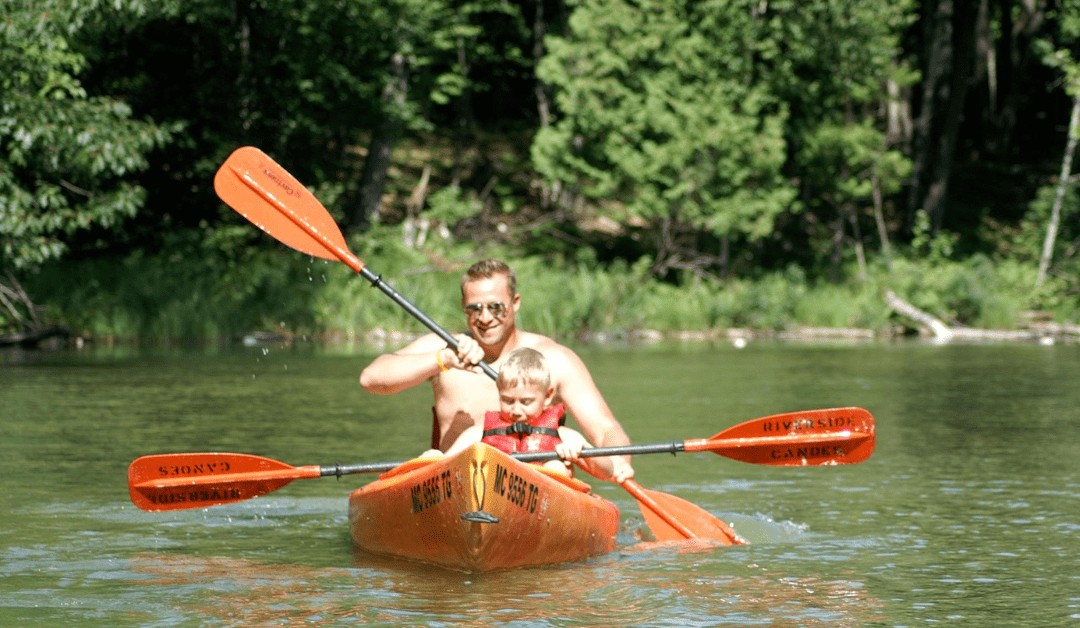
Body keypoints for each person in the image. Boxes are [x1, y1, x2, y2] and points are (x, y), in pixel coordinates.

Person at [359, 258, 634, 483]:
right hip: (456, 485)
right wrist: (442, 359)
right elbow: (371, 379)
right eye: (474, 309)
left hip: (539, 487)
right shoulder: (443, 349)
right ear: (464, 309)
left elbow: (606, 430)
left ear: (515, 303)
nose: (485, 318)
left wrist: (619, 463)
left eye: (495, 307)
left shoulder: (555, 360)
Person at [440, 347, 612, 478]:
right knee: (441, 457)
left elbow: (607, 472)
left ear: (547, 396)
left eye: (526, 402)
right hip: (493, 493)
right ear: (499, 390)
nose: (515, 410)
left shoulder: (564, 436)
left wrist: (583, 451)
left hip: (545, 506)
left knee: (556, 467)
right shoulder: (479, 433)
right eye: (507, 400)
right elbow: (444, 462)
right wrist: (432, 460)